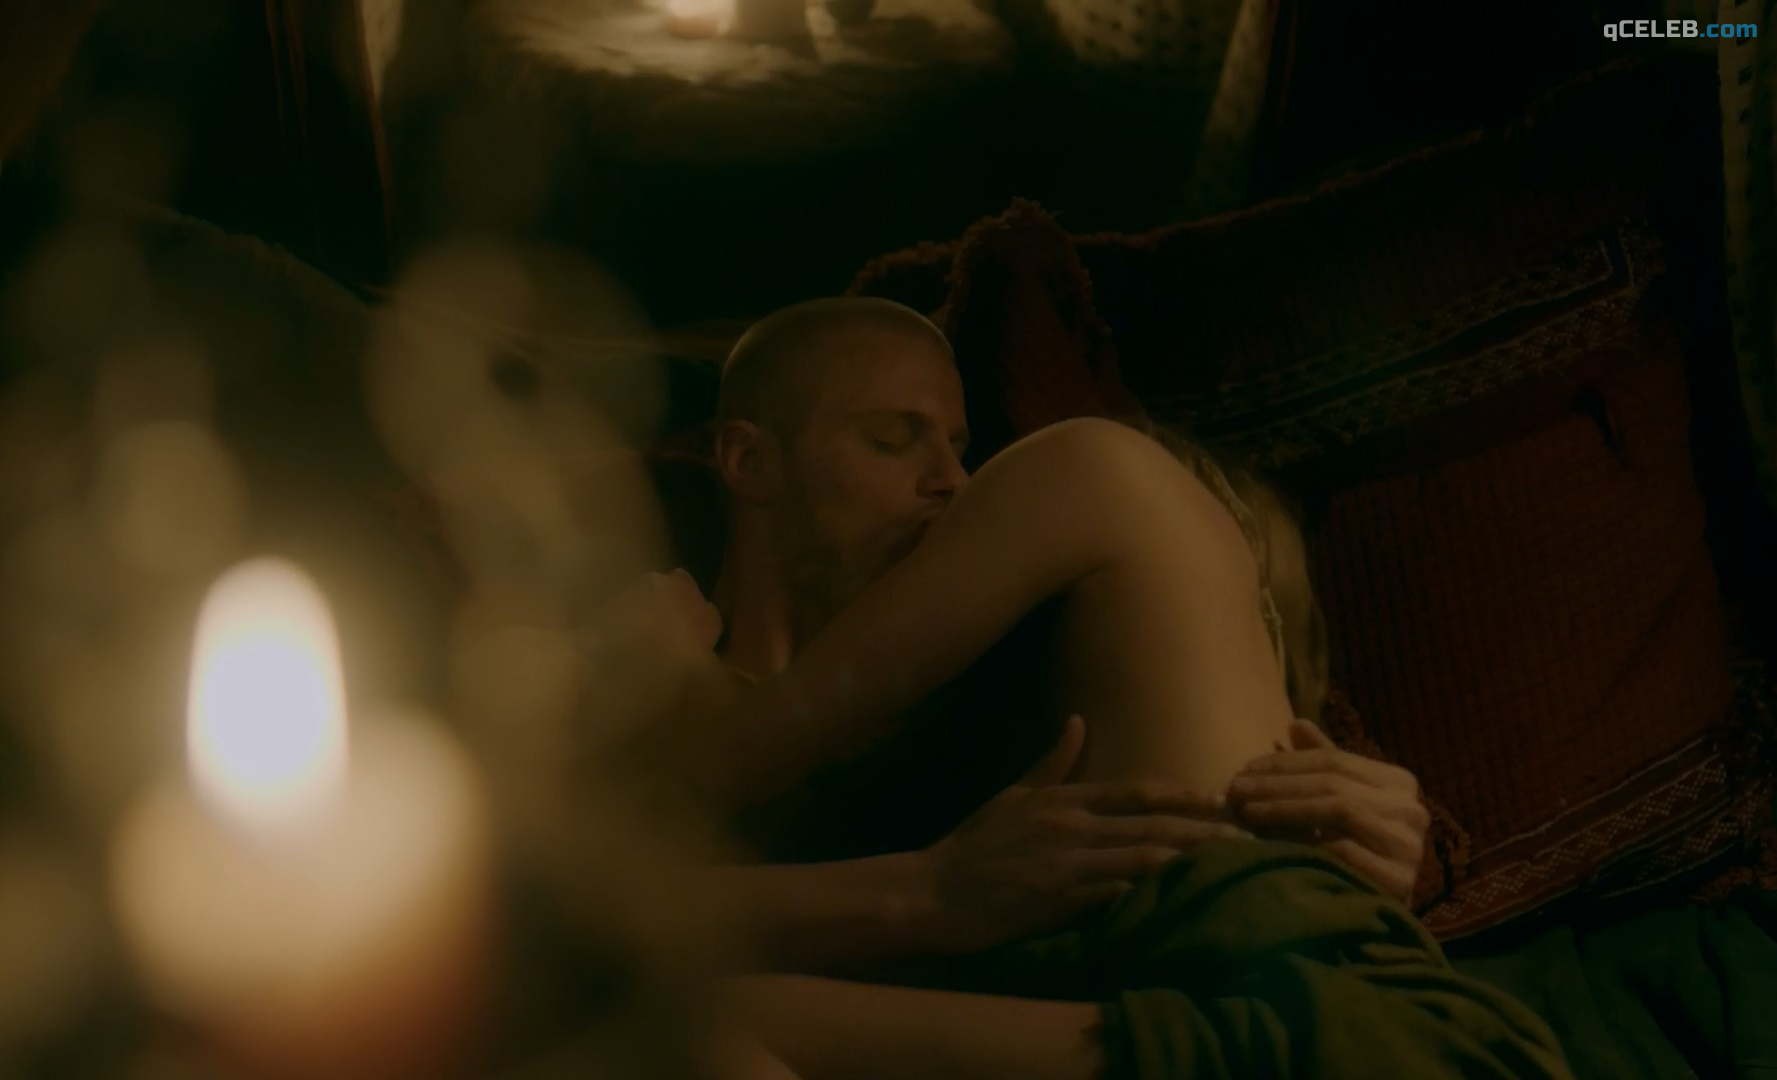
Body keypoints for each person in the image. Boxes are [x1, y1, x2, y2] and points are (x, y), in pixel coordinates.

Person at [625, 297, 1571, 1079]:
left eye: (963, 448)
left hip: (1296, 1023)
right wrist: (918, 890)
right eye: (891, 439)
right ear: (746, 459)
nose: (954, 481)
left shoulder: (1077, 520)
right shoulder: (647, 660)